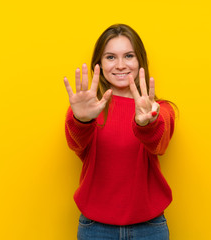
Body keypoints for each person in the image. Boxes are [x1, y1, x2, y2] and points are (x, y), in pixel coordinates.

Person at [63, 24, 176, 240]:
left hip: (150, 228)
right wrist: (81, 119)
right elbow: (76, 144)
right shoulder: (87, 109)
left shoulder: (160, 110)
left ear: (140, 61)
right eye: (111, 57)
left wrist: (146, 124)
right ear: (99, 64)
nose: (121, 65)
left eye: (129, 56)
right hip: (95, 228)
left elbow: (158, 144)